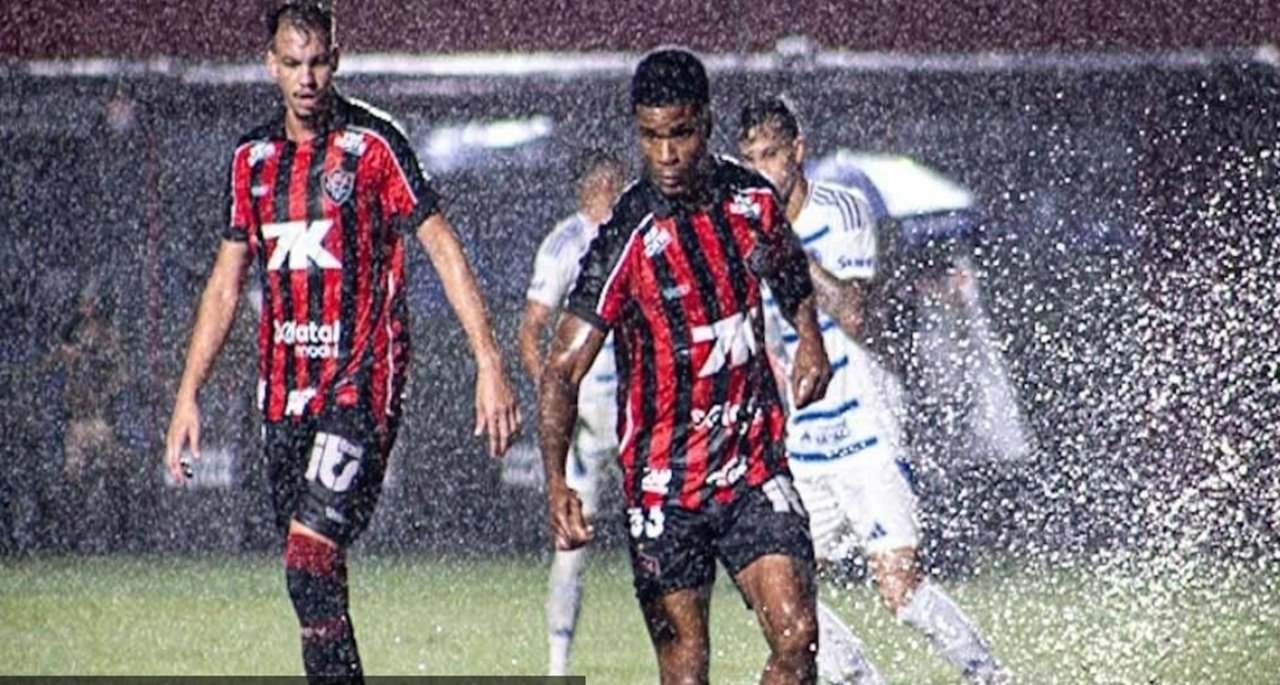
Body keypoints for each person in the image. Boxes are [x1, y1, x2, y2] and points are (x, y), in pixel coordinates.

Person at [163, 2, 520, 680]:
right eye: (292, 63)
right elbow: (225, 283)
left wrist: (488, 358)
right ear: (270, 65)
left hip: (360, 381)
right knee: (313, 581)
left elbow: (440, 244)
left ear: (337, 59)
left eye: (318, 61)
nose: (306, 78)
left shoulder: (374, 145)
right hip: (283, 395)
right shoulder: (252, 160)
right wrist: (188, 394)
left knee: (308, 556)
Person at [538, 48, 832, 685]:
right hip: (663, 489)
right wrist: (556, 479)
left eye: (681, 134)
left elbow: (787, 266)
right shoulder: (628, 235)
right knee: (686, 669)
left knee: (798, 637)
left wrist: (809, 337)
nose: (667, 155)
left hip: (751, 466)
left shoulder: (752, 201)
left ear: (706, 120)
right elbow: (562, 367)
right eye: (651, 137)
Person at [738, 95, 1011, 685]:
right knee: (781, 599)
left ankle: (991, 677)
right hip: (805, 446)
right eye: (751, 160)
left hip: (867, 431)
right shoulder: (747, 231)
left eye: (772, 157)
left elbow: (855, 312)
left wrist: (786, 247)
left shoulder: (843, 210)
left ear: (798, 153)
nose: (763, 172)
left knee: (899, 587)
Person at [517, 148, 627, 676]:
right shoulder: (566, 243)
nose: (618, 185)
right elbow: (532, 329)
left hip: (640, 414)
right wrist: (553, 395)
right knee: (571, 548)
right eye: (610, 179)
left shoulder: (638, 228)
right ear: (592, 186)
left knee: (668, 534)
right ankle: (558, 668)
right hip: (587, 419)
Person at [51, 284, 130, 553]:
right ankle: (72, 538)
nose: (86, 309)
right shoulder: (73, 332)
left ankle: (118, 534)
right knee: (73, 476)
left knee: (113, 469)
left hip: (97, 416)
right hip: (77, 416)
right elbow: (53, 360)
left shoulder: (107, 335)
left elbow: (118, 371)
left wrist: (104, 394)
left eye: (89, 303)